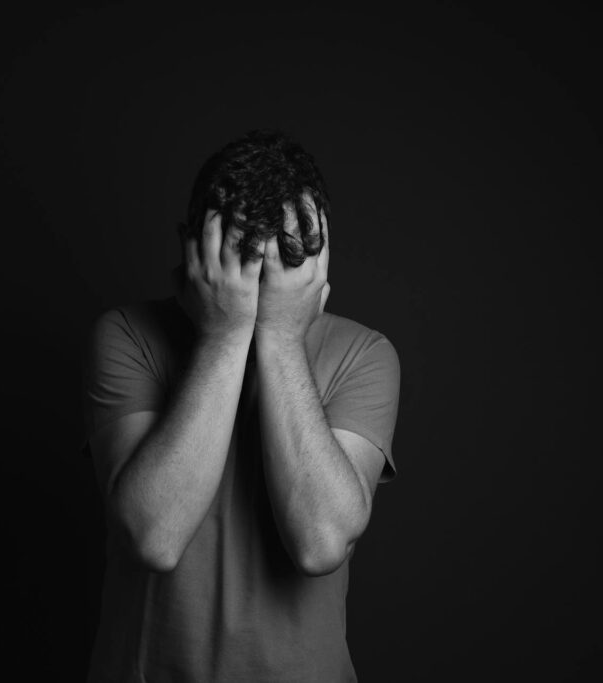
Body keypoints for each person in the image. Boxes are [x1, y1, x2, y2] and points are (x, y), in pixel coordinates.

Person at [82, 129, 401, 682]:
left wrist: (279, 337)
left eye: (282, 262)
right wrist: (225, 335)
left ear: (318, 264)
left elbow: (321, 540)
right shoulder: (126, 336)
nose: (257, 283)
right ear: (192, 253)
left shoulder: (365, 354)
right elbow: (154, 536)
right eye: (242, 258)